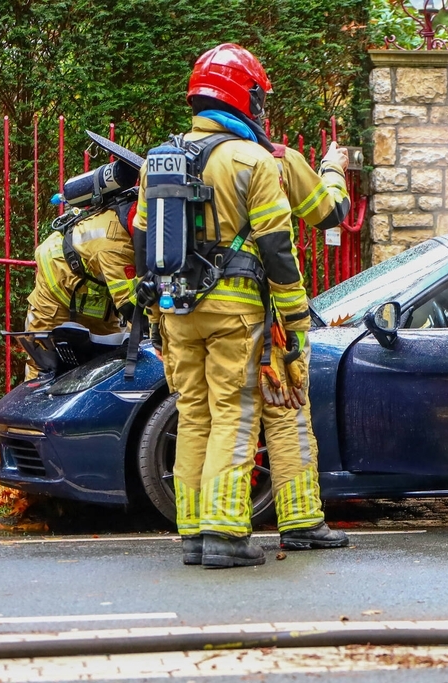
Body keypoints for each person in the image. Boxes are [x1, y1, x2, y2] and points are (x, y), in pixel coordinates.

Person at [132, 43, 317, 568]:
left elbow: (143, 241)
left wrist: (154, 316)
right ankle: (225, 535)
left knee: (193, 416)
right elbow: (278, 249)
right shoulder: (252, 160)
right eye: (258, 97)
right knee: (235, 414)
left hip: (174, 311)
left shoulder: (158, 159)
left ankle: (192, 532)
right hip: (234, 312)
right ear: (243, 97)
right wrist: (296, 319)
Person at [262, 142, 350, 550]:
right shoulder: (277, 160)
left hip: (190, 319)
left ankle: (208, 532)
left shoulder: (179, 162)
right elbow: (331, 212)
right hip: (262, 322)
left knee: (210, 423)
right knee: (287, 414)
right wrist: (332, 167)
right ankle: (300, 523)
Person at [24, 205, 137, 378]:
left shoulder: (133, 229)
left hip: (95, 298)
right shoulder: (115, 243)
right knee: (44, 367)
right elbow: (129, 304)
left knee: (106, 368)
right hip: (55, 289)